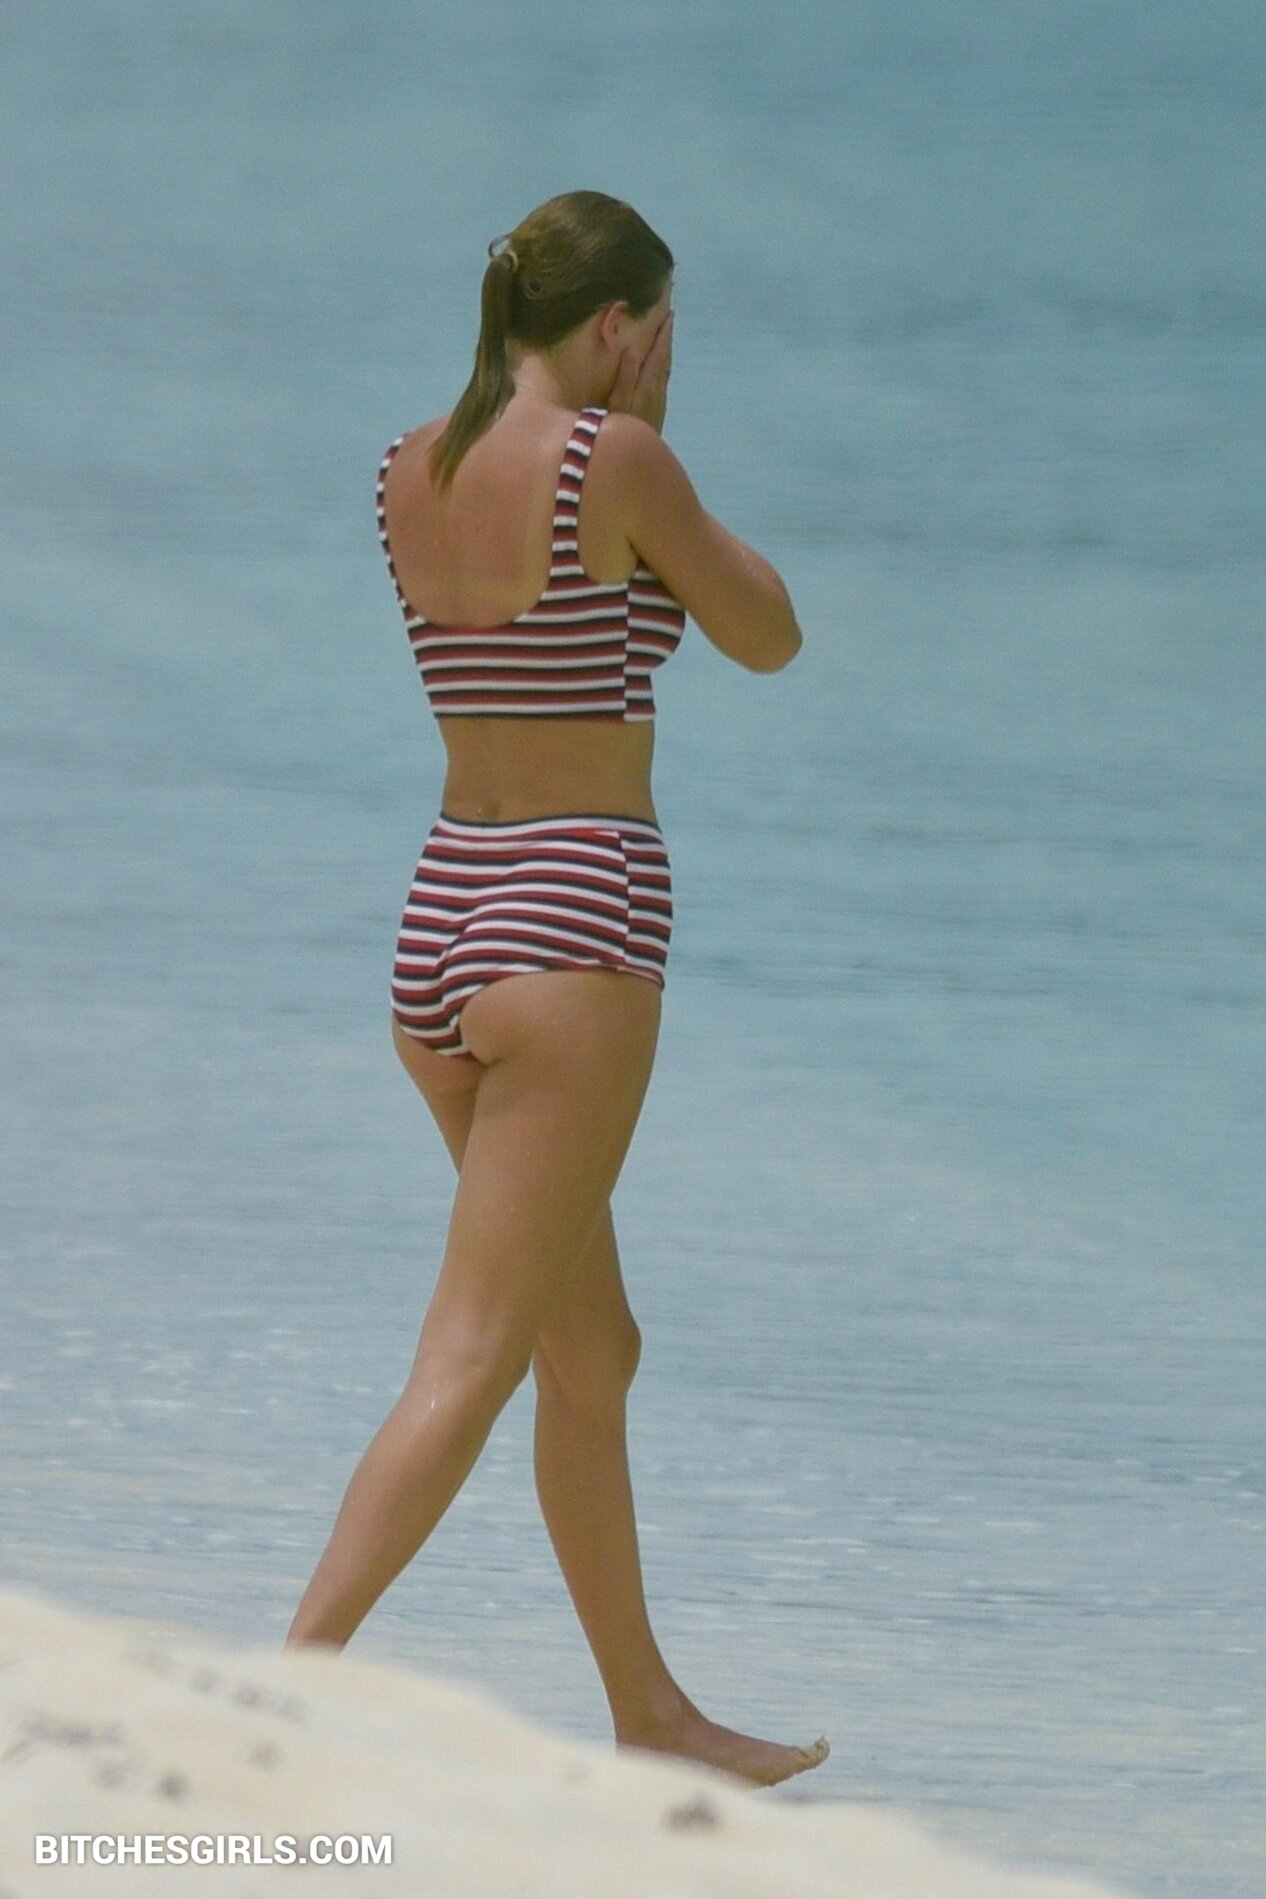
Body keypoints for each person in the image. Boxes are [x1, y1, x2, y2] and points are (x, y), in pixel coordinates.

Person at [284, 190, 828, 1789]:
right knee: (469, 1357)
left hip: (443, 913)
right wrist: (652, 433)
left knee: (591, 1352)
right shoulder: (617, 457)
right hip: (573, 922)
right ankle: (269, 1699)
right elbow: (769, 634)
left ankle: (648, 1716)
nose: (659, 357)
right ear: (615, 327)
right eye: (659, 332)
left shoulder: (406, 466)